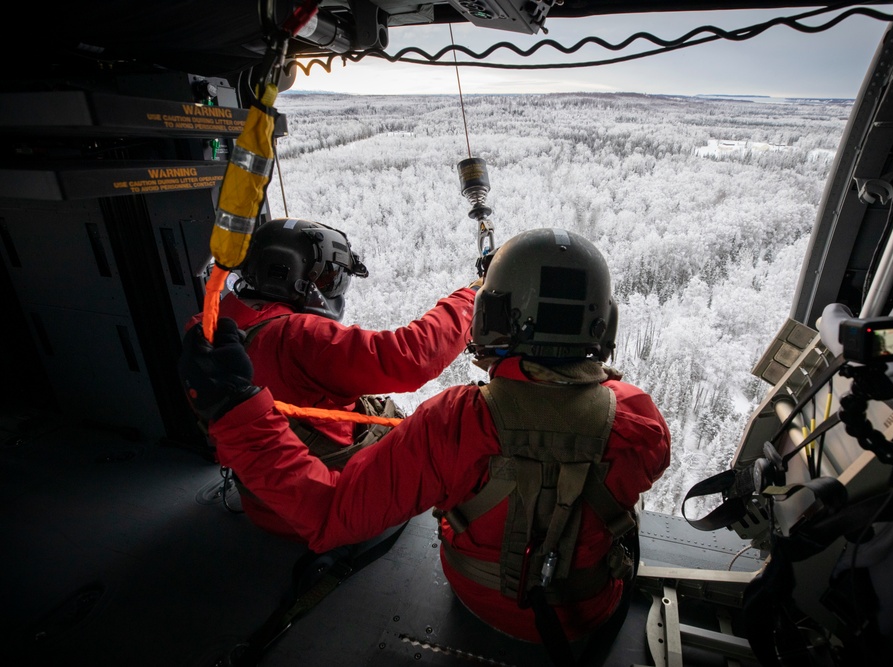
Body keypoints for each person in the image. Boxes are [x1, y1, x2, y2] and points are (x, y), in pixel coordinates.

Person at [180, 227, 670, 652]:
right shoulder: (639, 418)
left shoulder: (453, 422)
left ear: (490, 318)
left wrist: (235, 414)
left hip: (476, 595)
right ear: (605, 323)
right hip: (588, 610)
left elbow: (329, 517)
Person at [186, 217, 478, 540]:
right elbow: (407, 358)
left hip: (265, 504)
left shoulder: (213, 327)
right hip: (328, 500)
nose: (334, 288)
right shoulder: (299, 337)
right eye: (328, 278)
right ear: (289, 274)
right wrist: (470, 301)